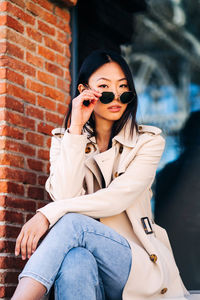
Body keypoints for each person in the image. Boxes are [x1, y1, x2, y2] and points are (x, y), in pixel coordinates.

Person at [11, 49, 191, 300]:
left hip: (139, 265)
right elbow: (64, 196)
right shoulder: (64, 141)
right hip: (93, 267)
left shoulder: (148, 142)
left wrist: (47, 213)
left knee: (72, 222)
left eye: (123, 87)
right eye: (105, 87)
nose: (116, 96)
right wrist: (75, 130)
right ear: (84, 90)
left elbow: (116, 199)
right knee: (76, 259)